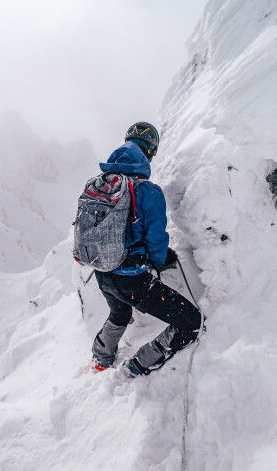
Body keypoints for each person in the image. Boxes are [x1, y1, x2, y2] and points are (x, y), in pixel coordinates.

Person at [91, 122, 202, 377]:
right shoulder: (148, 191)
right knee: (191, 323)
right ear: (150, 153)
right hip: (131, 281)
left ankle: (101, 359)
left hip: (101, 272)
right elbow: (156, 240)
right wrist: (161, 260)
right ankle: (137, 365)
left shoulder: (99, 184)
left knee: (119, 312)